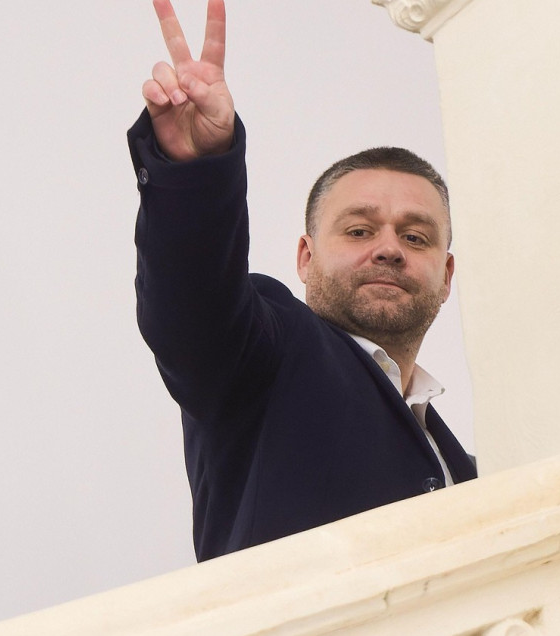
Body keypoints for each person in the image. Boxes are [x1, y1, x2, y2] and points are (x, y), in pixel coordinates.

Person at [129, 0, 476, 561]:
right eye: (360, 231)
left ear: (446, 274)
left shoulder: (460, 461)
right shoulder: (265, 352)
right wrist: (195, 171)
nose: (389, 249)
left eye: (415, 238)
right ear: (305, 258)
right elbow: (191, 307)